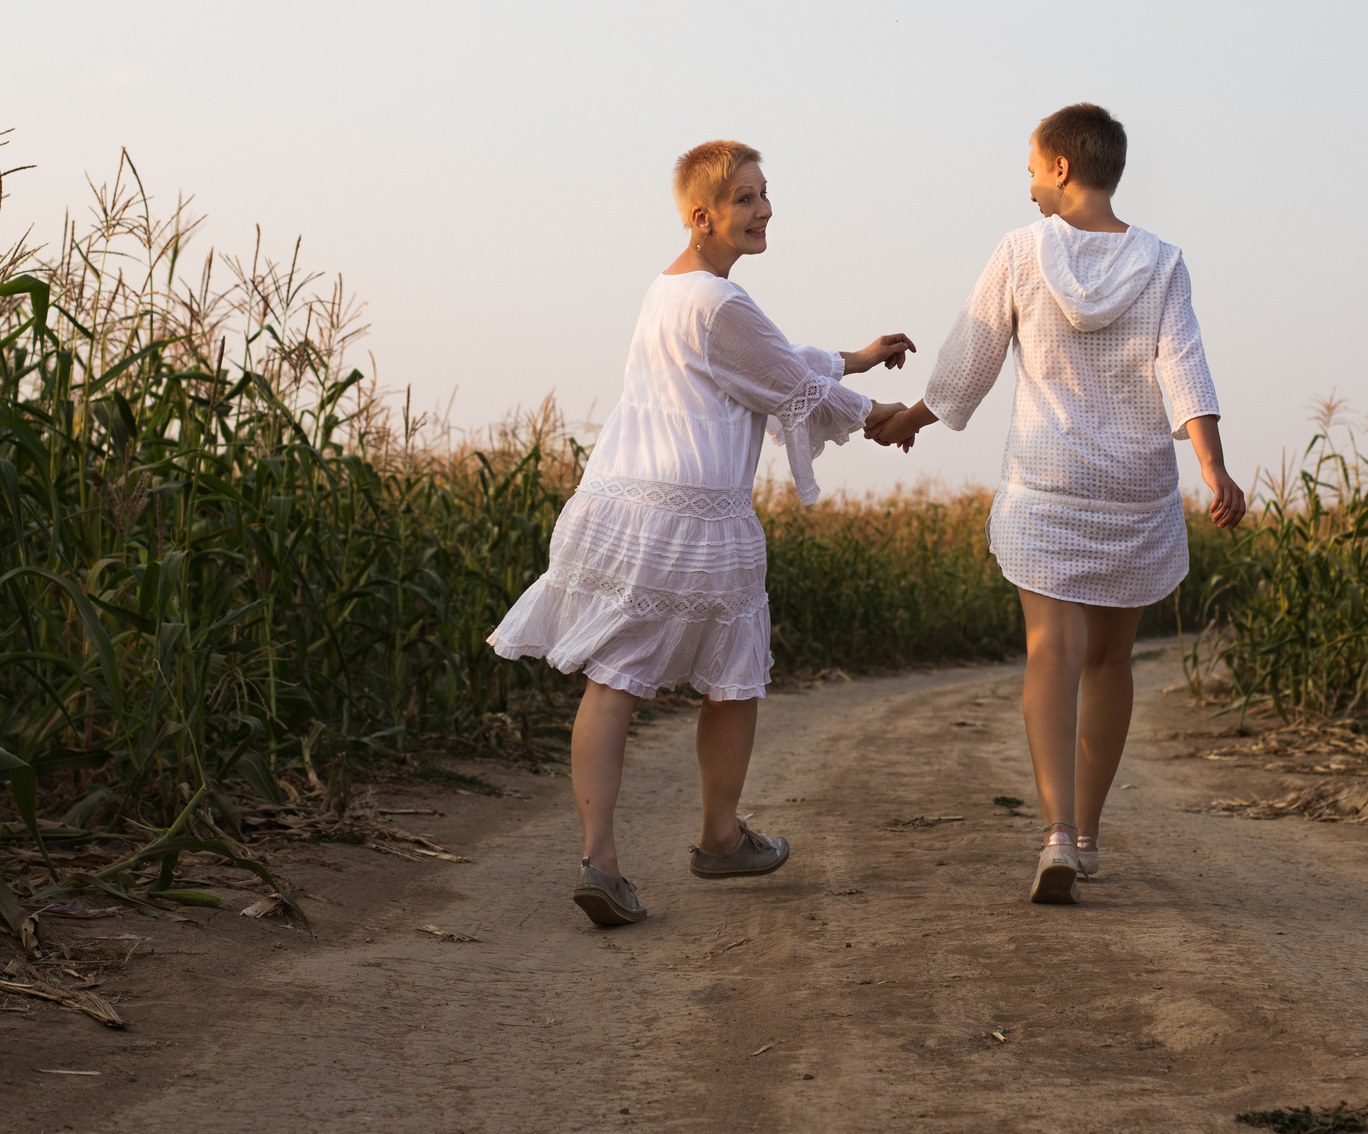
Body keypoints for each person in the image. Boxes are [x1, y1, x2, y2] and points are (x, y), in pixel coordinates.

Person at [489, 140, 914, 928]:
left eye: (764, 194)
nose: (765, 210)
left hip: (619, 502)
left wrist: (854, 359)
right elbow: (790, 383)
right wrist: (884, 420)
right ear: (703, 215)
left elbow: (778, 365)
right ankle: (720, 837)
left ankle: (601, 861)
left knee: (612, 679)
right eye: (748, 198)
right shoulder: (724, 304)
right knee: (733, 675)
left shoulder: (670, 290)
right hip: (697, 516)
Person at [871, 102, 1244, 903]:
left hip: (1048, 485)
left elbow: (968, 361)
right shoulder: (1163, 262)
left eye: (1033, 168)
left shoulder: (1020, 251)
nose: (1029, 183)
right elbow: (1185, 368)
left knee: (1052, 653)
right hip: (1132, 489)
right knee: (1109, 661)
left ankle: (1056, 835)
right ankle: (1091, 832)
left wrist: (907, 419)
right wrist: (1213, 468)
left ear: (1064, 168)